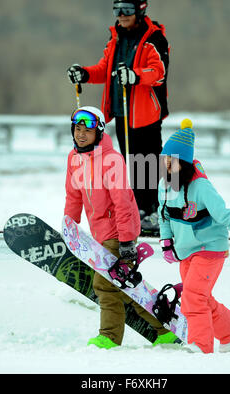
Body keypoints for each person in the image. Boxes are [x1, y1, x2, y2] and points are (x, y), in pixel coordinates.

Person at [64, 105, 177, 349]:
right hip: (98, 234)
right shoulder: (74, 159)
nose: (81, 133)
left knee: (104, 285)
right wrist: (69, 228)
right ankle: (164, 331)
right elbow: (73, 196)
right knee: (128, 288)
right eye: (77, 128)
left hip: (118, 231)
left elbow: (123, 202)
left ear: (100, 131)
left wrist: (126, 242)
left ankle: (109, 337)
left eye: (87, 129)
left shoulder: (111, 160)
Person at [67, 0, 170, 236]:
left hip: (145, 112)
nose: (121, 15)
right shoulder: (115, 38)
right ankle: (136, 212)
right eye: (117, 9)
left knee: (146, 162)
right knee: (128, 164)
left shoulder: (154, 38)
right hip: (122, 110)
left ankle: (152, 211)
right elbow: (105, 69)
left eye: (126, 9)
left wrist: (135, 76)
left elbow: (158, 71)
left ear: (140, 10)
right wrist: (85, 73)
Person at [158, 118, 230, 354]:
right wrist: (166, 242)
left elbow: (224, 214)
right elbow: (163, 215)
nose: (166, 166)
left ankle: (200, 346)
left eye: (171, 162)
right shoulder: (164, 186)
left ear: (183, 164)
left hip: (210, 248)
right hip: (186, 250)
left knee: (193, 297)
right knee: (199, 297)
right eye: (164, 160)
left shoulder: (201, 187)